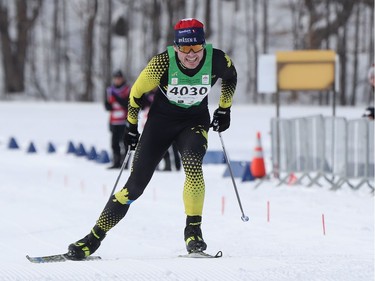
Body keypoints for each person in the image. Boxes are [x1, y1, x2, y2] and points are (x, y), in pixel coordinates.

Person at [67, 18, 237, 259]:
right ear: (176, 47)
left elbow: (231, 77)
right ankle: (93, 238)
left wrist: (224, 109)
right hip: (160, 124)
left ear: (203, 45)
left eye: (196, 48)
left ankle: (193, 232)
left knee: (193, 165)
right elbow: (136, 94)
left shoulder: (217, 60)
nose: (191, 55)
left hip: (194, 122)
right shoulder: (161, 63)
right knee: (134, 187)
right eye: (185, 49)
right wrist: (131, 127)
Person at [104, 70, 131, 169]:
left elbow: (127, 104)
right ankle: (116, 162)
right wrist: (110, 105)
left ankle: (125, 164)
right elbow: (107, 106)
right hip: (114, 121)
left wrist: (116, 98)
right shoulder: (109, 90)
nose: (117, 80)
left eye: (119, 78)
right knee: (114, 143)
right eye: (115, 78)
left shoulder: (127, 89)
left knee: (125, 143)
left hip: (124, 121)